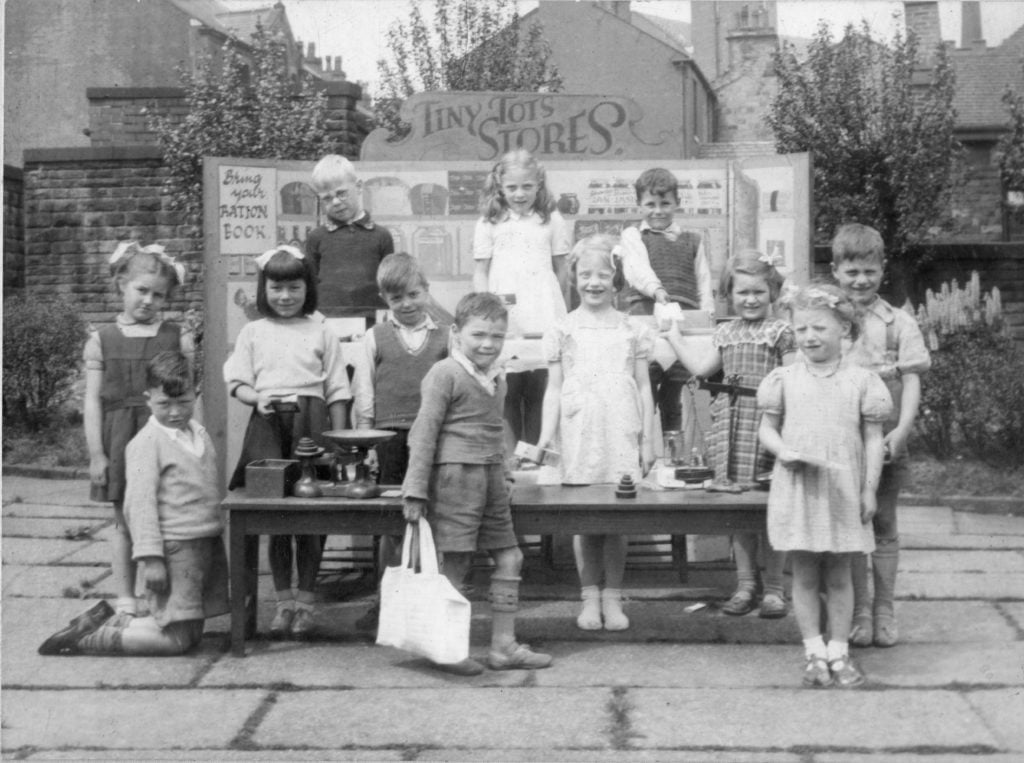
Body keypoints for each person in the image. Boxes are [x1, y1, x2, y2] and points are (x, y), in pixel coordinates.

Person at [402, 292, 553, 675]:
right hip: (455, 477)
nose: (488, 344)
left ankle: (503, 647)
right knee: (456, 562)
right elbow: (423, 433)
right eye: (479, 335)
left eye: (497, 337)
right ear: (456, 333)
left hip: (490, 479)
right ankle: (447, 649)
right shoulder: (444, 374)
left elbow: (494, 429)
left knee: (510, 556)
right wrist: (415, 489)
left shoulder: (497, 378)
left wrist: (503, 470)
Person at [40, 351, 227, 655]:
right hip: (174, 549)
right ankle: (88, 639)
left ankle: (104, 622)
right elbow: (138, 506)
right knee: (175, 640)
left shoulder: (199, 433)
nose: (176, 412)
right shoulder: (146, 444)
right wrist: (151, 558)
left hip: (202, 545)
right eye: (165, 404)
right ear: (148, 399)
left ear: (196, 394)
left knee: (190, 632)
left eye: (184, 402)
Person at [757, 284, 892, 688]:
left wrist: (869, 489)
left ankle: (839, 652)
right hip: (800, 486)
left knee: (840, 575)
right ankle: (813, 651)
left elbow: (872, 439)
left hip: (843, 488)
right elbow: (767, 428)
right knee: (803, 575)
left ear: (844, 331)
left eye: (819, 328)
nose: (810, 337)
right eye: (801, 330)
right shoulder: (783, 378)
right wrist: (782, 451)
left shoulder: (861, 381)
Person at [224, 245, 351, 639]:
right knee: (275, 513)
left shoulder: (322, 329)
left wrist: (340, 441)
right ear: (264, 288)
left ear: (306, 288)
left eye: (294, 287)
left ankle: (307, 603)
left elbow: (337, 389)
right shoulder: (253, 332)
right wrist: (255, 397)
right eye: (276, 288)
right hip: (268, 423)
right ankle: (282, 603)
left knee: (311, 515)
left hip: (311, 424)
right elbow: (238, 381)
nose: (285, 296)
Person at [663, 250, 795, 618]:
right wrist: (674, 337)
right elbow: (703, 368)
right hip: (733, 429)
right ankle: (744, 584)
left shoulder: (782, 332)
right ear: (729, 295)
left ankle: (773, 588)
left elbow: (794, 382)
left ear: (773, 293)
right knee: (738, 513)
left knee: (769, 512)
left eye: (758, 292)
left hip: (767, 428)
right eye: (742, 293)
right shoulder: (726, 332)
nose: (750, 300)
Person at [535, 235, 656, 632]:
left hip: (620, 426)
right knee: (586, 516)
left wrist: (648, 438)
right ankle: (589, 596)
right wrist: (544, 439)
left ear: (615, 279)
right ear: (574, 278)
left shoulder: (631, 329)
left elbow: (642, 386)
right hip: (580, 426)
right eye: (585, 275)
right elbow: (553, 387)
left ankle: (613, 595)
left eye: (603, 275)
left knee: (617, 515)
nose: (594, 282)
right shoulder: (562, 328)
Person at [831, 223, 931, 648]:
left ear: (882, 269)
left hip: (887, 438)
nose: (860, 280)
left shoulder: (898, 322)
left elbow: (911, 380)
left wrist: (903, 431)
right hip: (839, 438)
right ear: (836, 270)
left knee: (884, 521)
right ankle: (859, 611)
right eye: (851, 271)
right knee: (852, 524)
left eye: (869, 271)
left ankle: (885, 609)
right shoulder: (827, 320)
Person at [83, 241, 191, 619]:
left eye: (158, 295)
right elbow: (93, 401)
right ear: (121, 286)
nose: (148, 300)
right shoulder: (102, 339)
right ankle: (126, 596)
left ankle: (161, 596)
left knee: (167, 516)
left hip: (164, 436)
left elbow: (189, 395)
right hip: (120, 437)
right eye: (141, 290)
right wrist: (97, 453)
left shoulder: (176, 337)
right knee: (125, 520)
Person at [351, 252, 452, 631]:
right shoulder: (374, 337)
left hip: (434, 437)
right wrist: (368, 443)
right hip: (389, 438)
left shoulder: (447, 337)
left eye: (413, 294)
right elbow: (364, 392)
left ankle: (431, 602)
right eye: (397, 299)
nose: (407, 305)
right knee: (393, 524)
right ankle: (387, 603)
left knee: (434, 518)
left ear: (426, 291)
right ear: (385, 300)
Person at [472, 148, 571, 447]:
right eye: (512, 187)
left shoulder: (551, 219)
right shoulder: (488, 222)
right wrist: (487, 308)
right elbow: (480, 270)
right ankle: (511, 461)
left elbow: (562, 268)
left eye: (527, 186)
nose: (519, 194)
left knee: (543, 385)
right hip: (506, 314)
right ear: (500, 186)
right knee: (508, 389)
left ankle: (538, 454)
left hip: (542, 310)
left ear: (539, 184)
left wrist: (556, 306)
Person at [618, 167, 715, 433]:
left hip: (682, 325)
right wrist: (657, 291)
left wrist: (708, 318)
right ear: (639, 204)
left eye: (665, 204)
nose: (658, 211)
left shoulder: (693, 241)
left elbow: (704, 282)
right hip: (645, 319)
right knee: (643, 389)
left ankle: (673, 454)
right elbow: (638, 270)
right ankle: (639, 454)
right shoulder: (633, 236)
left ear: (677, 203)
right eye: (650, 204)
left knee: (674, 393)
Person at [306, 154, 394, 321]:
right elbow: (309, 284)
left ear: (359, 186)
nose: (336, 202)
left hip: (373, 320)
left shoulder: (381, 236)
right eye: (327, 198)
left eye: (342, 193)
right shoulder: (316, 238)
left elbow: (390, 285)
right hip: (328, 320)